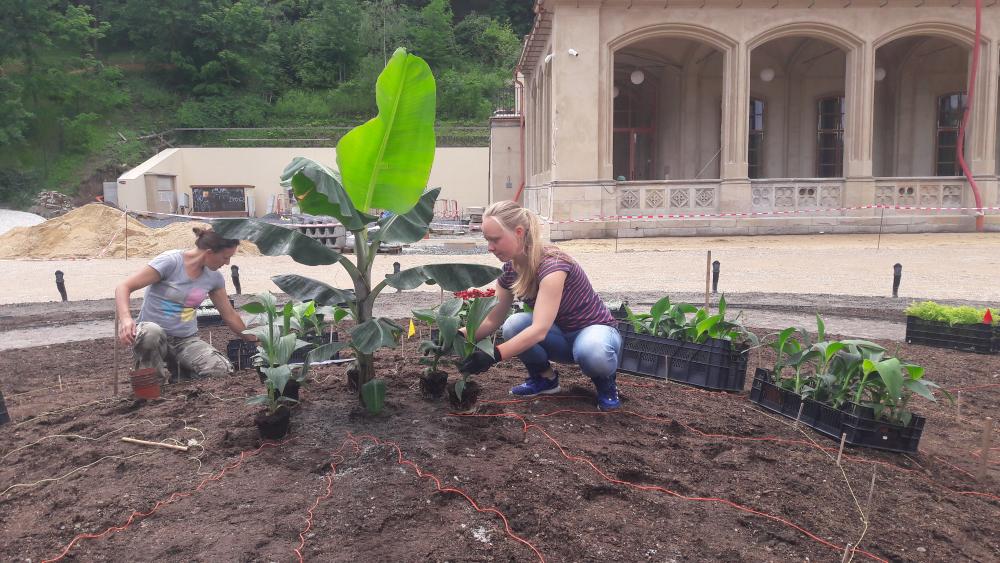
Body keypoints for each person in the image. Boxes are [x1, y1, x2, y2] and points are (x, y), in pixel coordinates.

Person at [458, 201, 623, 411]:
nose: (490, 247)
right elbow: (492, 319)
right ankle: (545, 380)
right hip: (560, 337)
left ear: (518, 232)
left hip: (595, 333)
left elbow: (539, 330)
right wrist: (458, 336)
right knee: (513, 324)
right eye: (487, 240)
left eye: (495, 240)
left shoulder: (553, 265)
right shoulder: (510, 269)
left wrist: (493, 355)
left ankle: (606, 386)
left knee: (593, 352)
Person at [115, 227, 254, 383]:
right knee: (151, 333)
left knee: (220, 369)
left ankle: (181, 375)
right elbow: (123, 287)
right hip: (154, 337)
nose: (228, 263)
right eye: (225, 257)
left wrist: (256, 339)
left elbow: (230, 315)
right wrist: (126, 319)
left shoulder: (214, 278)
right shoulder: (171, 262)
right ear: (209, 253)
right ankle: (149, 387)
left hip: (185, 341)